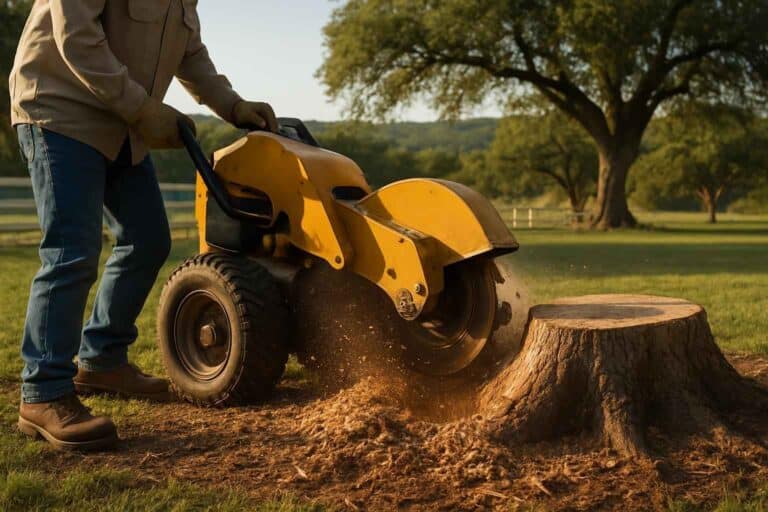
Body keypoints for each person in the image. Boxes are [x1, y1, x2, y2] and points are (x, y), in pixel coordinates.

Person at [8, 0, 277, 451]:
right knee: (72, 249)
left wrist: (233, 105)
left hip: (121, 120)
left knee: (148, 239)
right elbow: (76, 38)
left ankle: (101, 360)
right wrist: (144, 109)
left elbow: (189, 54)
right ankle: (44, 392)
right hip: (60, 112)